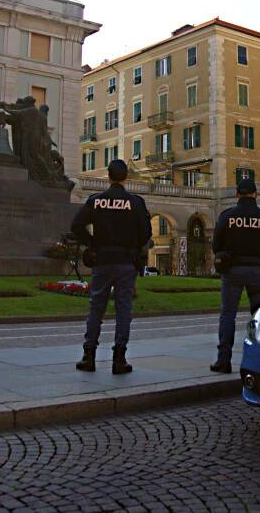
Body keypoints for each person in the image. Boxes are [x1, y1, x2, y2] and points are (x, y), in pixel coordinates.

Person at [70, 159, 152, 374]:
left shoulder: (96, 200)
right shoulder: (135, 202)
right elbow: (146, 233)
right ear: (126, 177)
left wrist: (92, 243)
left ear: (108, 176)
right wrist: (133, 245)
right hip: (126, 261)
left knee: (96, 307)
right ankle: (119, 358)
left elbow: (76, 226)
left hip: (103, 259)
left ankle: (89, 356)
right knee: (123, 309)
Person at [210, 177, 260, 374]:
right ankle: (259, 362)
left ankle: (223, 360)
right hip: (257, 271)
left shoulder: (227, 216)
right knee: (258, 317)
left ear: (237, 194)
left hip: (232, 270)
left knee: (228, 315)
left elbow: (216, 245)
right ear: (255, 194)